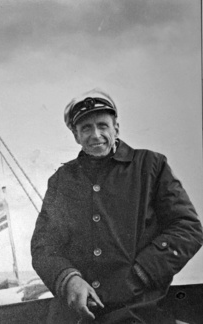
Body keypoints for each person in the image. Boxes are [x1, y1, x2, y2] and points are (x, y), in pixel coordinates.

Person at [31, 89, 203, 324]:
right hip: (76, 313)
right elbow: (44, 246)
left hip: (140, 308)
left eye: (102, 125)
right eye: (86, 128)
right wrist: (68, 279)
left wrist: (140, 273)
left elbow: (188, 228)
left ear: (116, 128)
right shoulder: (62, 180)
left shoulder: (151, 165)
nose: (96, 135)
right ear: (76, 136)